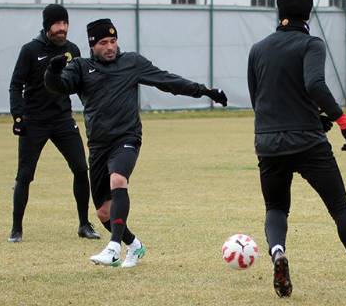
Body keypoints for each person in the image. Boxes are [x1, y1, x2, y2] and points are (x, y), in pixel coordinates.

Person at [44, 18, 228, 268]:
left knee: (118, 179)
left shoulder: (131, 62)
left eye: (113, 41)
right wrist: (52, 72)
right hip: (98, 145)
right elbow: (58, 86)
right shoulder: (80, 67)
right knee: (103, 213)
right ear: (92, 45)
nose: (110, 47)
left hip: (127, 138)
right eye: (103, 43)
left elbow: (167, 81)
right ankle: (134, 245)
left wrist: (204, 91)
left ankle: (113, 248)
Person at [248, 0, 346, 298]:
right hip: (307, 143)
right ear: (308, 12)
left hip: (268, 142)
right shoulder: (311, 44)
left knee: (276, 207)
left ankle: (278, 252)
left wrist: (312, 120)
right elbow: (314, 85)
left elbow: (260, 99)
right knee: (340, 207)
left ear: (279, 11)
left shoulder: (258, 48)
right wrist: (342, 122)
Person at [8, 4, 100, 243]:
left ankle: (84, 224)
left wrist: (94, 106)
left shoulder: (72, 50)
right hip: (34, 121)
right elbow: (16, 84)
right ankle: (16, 229)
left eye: (65, 23)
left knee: (81, 169)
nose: (62, 28)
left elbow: (82, 84)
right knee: (25, 175)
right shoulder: (30, 50)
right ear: (47, 26)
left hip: (62, 120)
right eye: (57, 24)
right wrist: (18, 117)